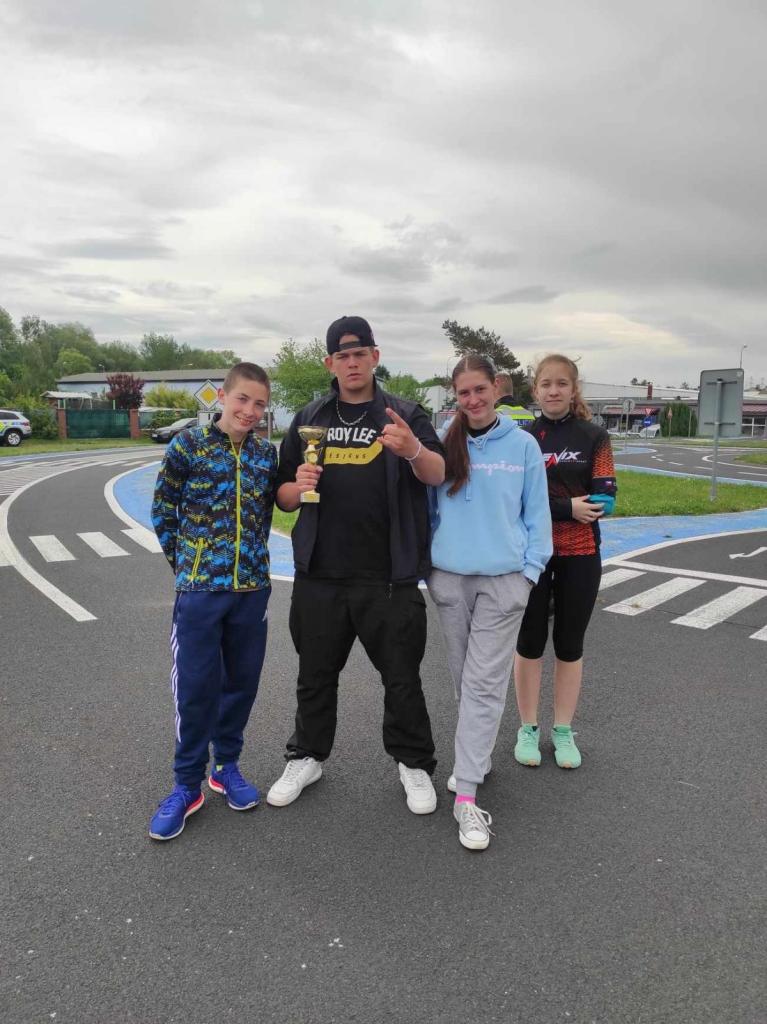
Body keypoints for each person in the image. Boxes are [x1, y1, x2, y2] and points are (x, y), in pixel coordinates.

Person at [266, 315, 446, 815]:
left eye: (359, 353)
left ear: (375, 357)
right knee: (314, 674)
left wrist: (413, 449)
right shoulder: (310, 417)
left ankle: (413, 762)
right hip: (320, 572)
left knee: (402, 677)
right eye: (342, 356)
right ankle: (306, 756)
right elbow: (282, 496)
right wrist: (298, 486)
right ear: (330, 363)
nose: (351, 363)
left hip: (389, 575)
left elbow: (438, 473)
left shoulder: (403, 414)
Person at [428, 354, 552, 850]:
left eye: (480, 389)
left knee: (483, 684)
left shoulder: (523, 446)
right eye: (464, 393)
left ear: (497, 387)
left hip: (504, 583)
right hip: (450, 582)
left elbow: (537, 515)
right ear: (455, 396)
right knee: (466, 681)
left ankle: (467, 797)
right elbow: (427, 507)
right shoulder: (444, 443)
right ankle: (475, 757)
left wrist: (528, 575)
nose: (473, 400)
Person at [149, 363, 277, 840]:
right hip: (200, 592)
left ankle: (227, 767)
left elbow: (263, 515)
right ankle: (186, 785)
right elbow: (163, 509)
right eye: (243, 399)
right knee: (196, 688)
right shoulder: (189, 445)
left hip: (251, 591)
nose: (250, 411)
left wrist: (252, 561)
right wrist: (188, 565)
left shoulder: (265, 455)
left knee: (241, 684)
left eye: (260, 404)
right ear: (223, 396)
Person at [513, 354, 617, 770]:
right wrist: (567, 507)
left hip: (581, 554)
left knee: (570, 645)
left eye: (561, 384)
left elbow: (604, 500)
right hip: (531, 555)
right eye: (546, 384)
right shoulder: (522, 438)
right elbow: (513, 501)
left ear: (574, 390)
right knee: (529, 643)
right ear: (535, 390)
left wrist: (556, 507)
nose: (553, 391)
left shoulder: (594, 436)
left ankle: (562, 729)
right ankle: (527, 727)